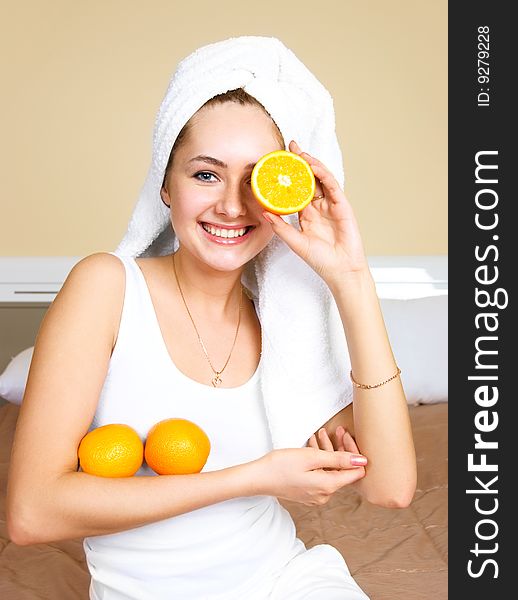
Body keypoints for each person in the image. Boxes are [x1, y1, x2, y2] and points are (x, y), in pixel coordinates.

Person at [6, 36, 416, 599]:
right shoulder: (106, 288)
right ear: (166, 187)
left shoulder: (286, 329)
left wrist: (352, 278)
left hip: (284, 582)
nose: (232, 205)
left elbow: (391, 489)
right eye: (206, 174)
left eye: (256, 179)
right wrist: (252, 478)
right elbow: (32, 515)